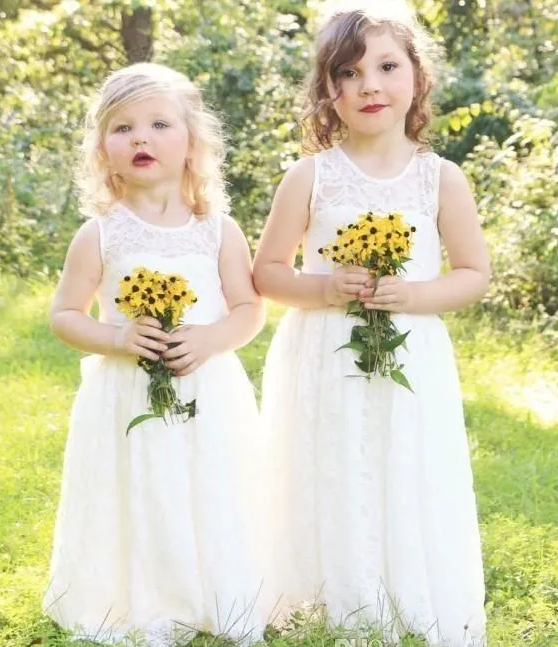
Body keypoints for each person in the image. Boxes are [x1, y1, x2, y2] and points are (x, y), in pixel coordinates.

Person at [253, 3, 490, 645]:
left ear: (416, 76)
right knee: (328, 459)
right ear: (329, 91)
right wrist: (325, 286)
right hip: (324, 348)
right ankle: (327, 589)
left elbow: (473, 272)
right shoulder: (310, 176)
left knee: (400, 458)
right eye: (349, 74)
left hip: (411, 350)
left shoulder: (441, 178)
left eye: (387, 67)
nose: (370, 86)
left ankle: (400, 580)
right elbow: (268, 272)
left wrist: (414, 295)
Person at [43, 62, 269, 646]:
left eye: (158, 124)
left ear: (192, 143)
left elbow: (249, 310)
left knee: (208, 486)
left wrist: (210, 338)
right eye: (122, 129)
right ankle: (145, 595)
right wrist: (117, 337)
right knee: (139, 488)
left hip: (207, 388)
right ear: (102, 151)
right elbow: (64, 315)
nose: (140, 138)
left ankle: (212, 588)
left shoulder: (218, 230)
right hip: (125, 396)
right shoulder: (100, 234)